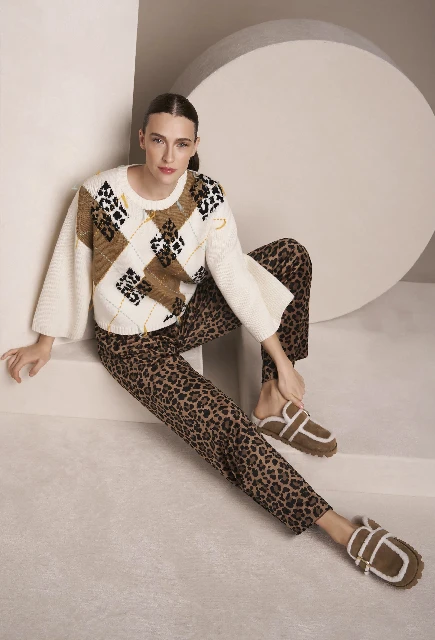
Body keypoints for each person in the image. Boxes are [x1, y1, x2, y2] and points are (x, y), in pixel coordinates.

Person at [1, 92, 424, 589]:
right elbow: (69, 265)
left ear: (195, 145)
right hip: (132, 346)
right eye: (159, 141)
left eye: (181, 145)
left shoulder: (206, 195)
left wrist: (281, 361)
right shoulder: (99, 195)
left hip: (182, 314)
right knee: (226, 428)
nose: (168, 156)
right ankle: (340, 529)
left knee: (290, 256)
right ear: (142, 138)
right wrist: (46, 341)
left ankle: (271, 401)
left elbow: (234, 279)